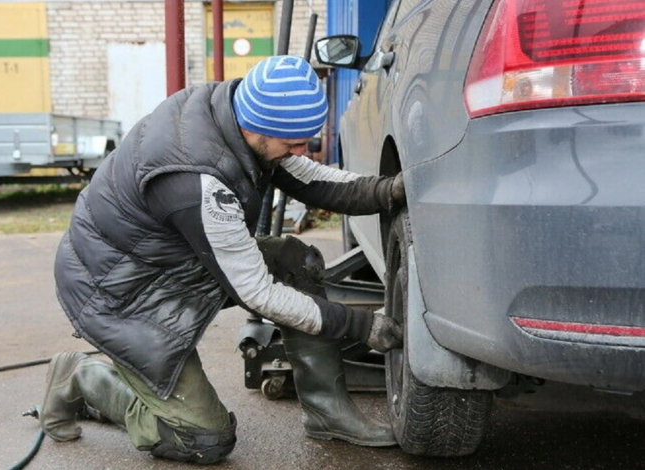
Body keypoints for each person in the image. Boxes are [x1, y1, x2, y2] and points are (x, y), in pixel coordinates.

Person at [40, 55, 406, 464]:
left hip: (170, 263)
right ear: (257, 128)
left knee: (293, 260)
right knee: (204, 440)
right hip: (122, 296)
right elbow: (256, 292)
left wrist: (387, 190)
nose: (302, 151)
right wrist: (360, 325)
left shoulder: (235, 115)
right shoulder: (196, 178)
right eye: (293, 143)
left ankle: (327, 412)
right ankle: (83, 377)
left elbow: (309, 176)